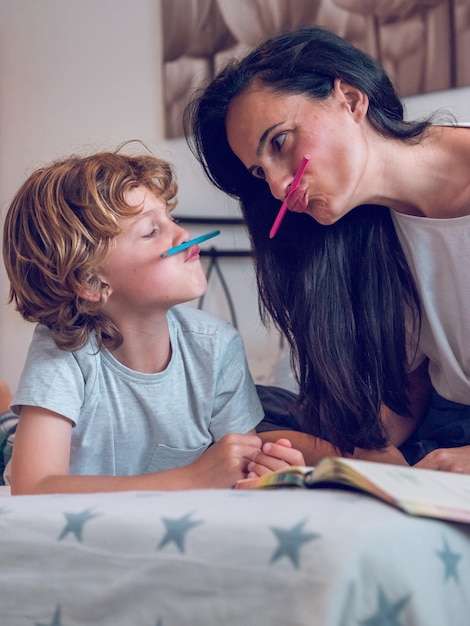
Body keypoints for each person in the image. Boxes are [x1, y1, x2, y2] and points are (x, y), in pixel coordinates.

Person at [184, 26, 470, 473]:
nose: (279, 187)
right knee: (218, 420)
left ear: (351, 99)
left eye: (279, 141)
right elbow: (410, 386)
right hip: (443, 433)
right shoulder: (361, 232)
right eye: (260, 174)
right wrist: (348, 452)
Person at [2, 146, 304, 495]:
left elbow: (240, 472)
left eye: (171, 219)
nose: (183, 235)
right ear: (90, 282)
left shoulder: (217, 345)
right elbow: (33, 485)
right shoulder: (63, 346)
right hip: (13, 452)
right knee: (9, 435)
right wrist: (192, 478)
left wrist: (267, 468)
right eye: (151, 232)